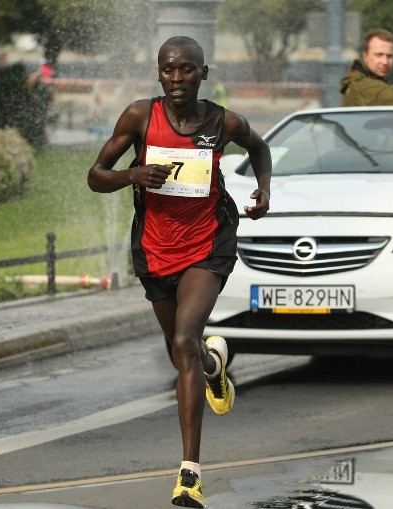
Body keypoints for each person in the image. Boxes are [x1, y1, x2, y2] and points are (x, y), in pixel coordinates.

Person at [87, 36, 271, 508]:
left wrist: (264, 191)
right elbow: (96, 175)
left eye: (186, 70)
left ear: (203, 74)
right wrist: (132, 176)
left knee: (186, 339)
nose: (176, 79)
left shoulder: (222, 121)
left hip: (208, 241)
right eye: (168, 70)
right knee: (182, 351)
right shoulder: (138, 117)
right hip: (154, 247)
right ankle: (213, 367)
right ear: (159, 73)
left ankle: (190, 474)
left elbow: (259, 147)